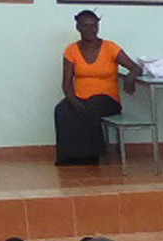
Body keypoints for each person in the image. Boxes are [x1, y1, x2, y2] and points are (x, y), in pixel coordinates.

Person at [54, 10, 142, 166]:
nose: (90, 29)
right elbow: (66, 82)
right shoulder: (71, 50)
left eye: (94, 26)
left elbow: (135, 67)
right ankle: (67, 157)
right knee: (62, 109)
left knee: (91, 108)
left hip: (107, 100)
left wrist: (130, 78)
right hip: (80, 97)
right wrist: (73, 100)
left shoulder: (110, 47)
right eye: (85, 26)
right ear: (78, 27)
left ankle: (91, 155)